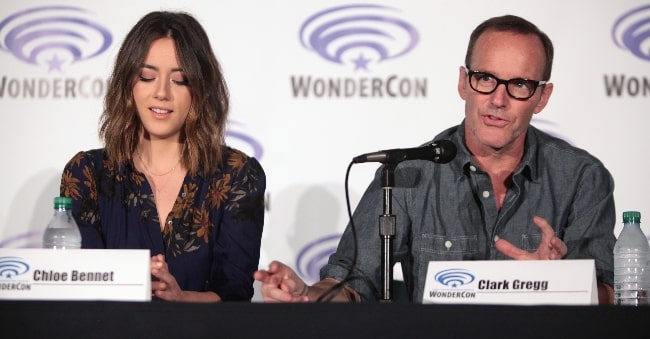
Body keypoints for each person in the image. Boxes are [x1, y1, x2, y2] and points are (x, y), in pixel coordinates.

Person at [255, 14, 616, 304]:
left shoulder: (582, 177)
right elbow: (352, 284)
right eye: (485, 78)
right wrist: (306, 295)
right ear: (463, 82)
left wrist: (560, 285)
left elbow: (612, 294)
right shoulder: (408, 174)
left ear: (542, 97)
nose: (498, 99)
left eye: (519, 84)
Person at [59, 11, 266, 302]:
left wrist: (181, 299)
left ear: (201, 90)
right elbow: (80, 284)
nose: (161, 92)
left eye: (179, 80)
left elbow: (233, 293)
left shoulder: (237, 175)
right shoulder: (87, 174)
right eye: (147, 76)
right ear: (128, 85)